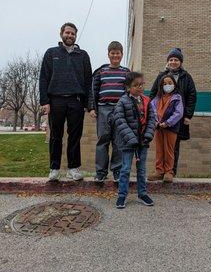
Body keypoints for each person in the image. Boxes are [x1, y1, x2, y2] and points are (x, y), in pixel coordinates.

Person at [39, 22, 92, 181]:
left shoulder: (83, 55)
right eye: (67, 33)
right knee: (56, 135)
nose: (70, 36)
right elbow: (43, 78)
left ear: (76, 36)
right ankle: (54, 169)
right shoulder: (51, 53)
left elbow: (88, 81)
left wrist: (89, 104)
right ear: (61, 34)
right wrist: (44, 101)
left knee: (75, 136)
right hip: (56, 100)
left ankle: (73, 168)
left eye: (73, 34)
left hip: (76, 101)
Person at [149, 48, 197, 176]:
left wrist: (188, 115)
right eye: (171, 60)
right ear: (167, 62)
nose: (173, 62)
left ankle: (171, 172)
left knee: (173, 145)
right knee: (160, 146)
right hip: (159, 118)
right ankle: (159, 170)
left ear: (180, 62)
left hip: (177, 118)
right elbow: (153, 94)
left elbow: (192, 96)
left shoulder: (187, 77)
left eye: (176, 60)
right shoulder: (161, 76)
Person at [89, 41, 130, 183]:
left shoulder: (126, 72)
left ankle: (117, 171)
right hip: (103, 109)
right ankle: (100, 172)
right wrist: (92, 108)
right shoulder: (101, 71)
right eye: (112, 53)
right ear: (108, 54)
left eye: (117, 53)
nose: (115, 56)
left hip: (120, 110)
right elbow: (93, 91)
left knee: (118, 141)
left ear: (121, 54)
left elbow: (130, 92)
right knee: (102, 140)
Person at [114, 72, 156, 209]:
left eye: (141, 84)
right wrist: (131, 138)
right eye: (135, 85)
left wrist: (148, 135)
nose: (139, 87)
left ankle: (142, 193)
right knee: (125, 169)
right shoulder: (122, 101)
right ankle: (122, 195)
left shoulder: (147, 101)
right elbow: (119, 120)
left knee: (142, 169)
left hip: (142, 142)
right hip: (128, 142)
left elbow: (151, 119)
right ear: (128, 87)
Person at [148, 74, 183, 182]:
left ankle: (169, 172)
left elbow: (179, 113)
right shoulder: (157, 98)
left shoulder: (177, 97)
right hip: (158, 127)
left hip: (170, 127)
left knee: (169, 150)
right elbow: (153, 110)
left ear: (174, 84)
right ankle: (159, 171)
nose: (167, 85)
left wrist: (168, 122)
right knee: (159, 149)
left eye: (169, 83)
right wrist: (157, 122)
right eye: (164, 84)